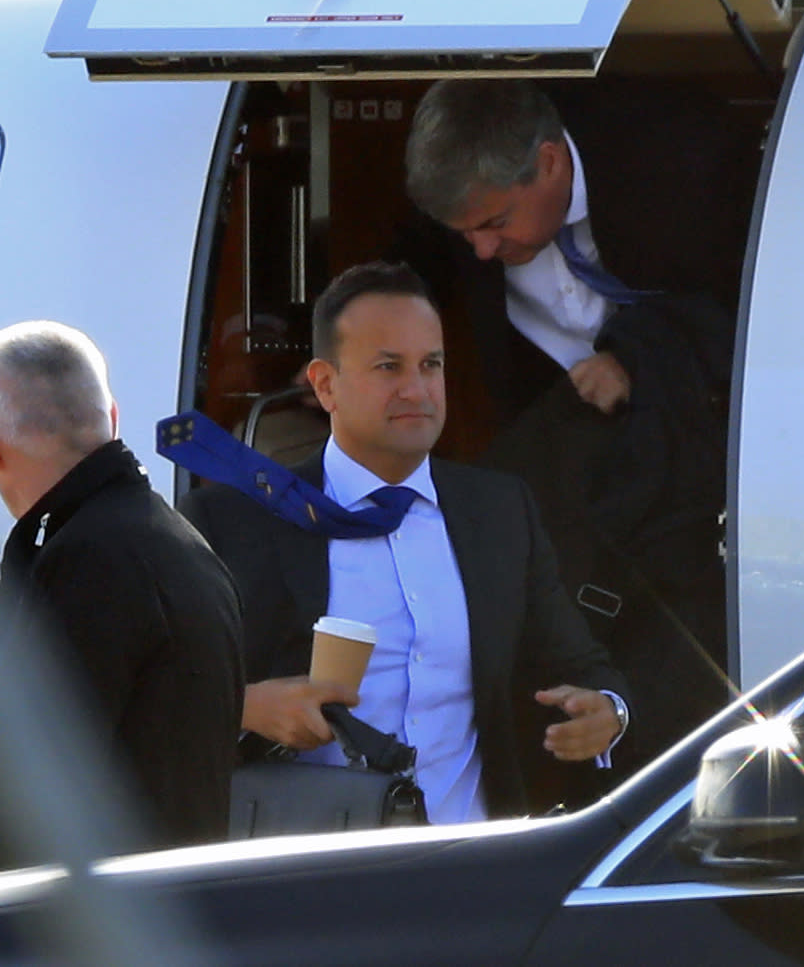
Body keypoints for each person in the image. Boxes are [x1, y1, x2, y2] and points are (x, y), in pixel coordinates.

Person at [179, 261, 630, 825]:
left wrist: (608, 713)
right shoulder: (236, 520)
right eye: (388, 367)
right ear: (324, 385)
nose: (416, 389)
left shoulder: (498, 510)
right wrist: (247, 708)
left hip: (473, 863)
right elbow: (161, 703)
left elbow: (581, 664)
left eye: (431, 365)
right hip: (309, 871)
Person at [403, 77, 748, 764]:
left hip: (708, 453)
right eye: (463, 232)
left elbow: (759, 311)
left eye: (495, 223)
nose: (478, 251)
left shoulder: (692, 165)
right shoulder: (471, 206)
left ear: (553, 164)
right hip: (571, 463)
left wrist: (637, 357)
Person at [0, 321, 244, 852]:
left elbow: (31, 795)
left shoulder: (89, 560)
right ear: (112, 417)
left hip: (113, 922)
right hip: (186, 910)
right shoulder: (172, 541)